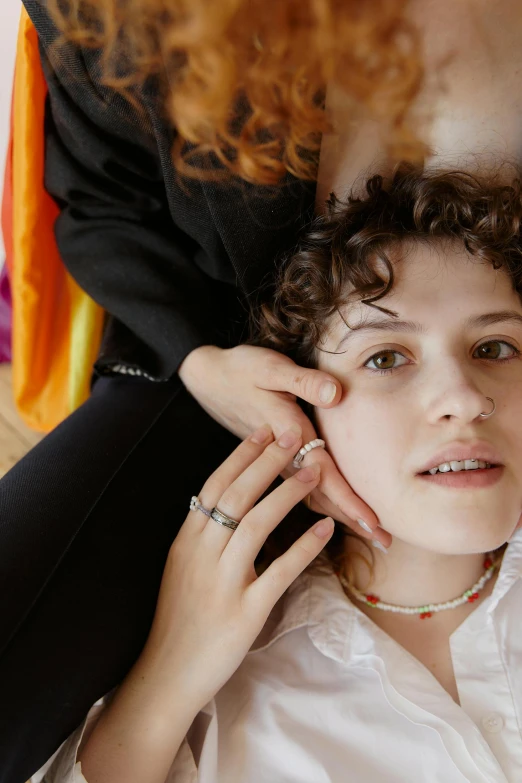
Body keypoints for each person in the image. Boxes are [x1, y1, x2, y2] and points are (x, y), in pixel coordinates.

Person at [2, 0, 521, 780]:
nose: (461, 395)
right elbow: (103, 205)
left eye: (493, 347)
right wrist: (201, 360)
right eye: (389, 358)